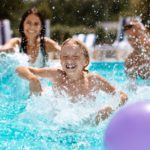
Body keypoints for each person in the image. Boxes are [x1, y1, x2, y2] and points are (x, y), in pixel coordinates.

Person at [16, 38, 128, 124]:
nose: (70, 60)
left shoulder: (94, 80)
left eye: (75, 57)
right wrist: (33, 78)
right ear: (60, 60)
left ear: (85, 61)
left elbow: (122, 96)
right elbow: (20, 69)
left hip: (87, 125)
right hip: (59, 124)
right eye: (65, 56)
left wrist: (108, 110)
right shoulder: (57, 75)